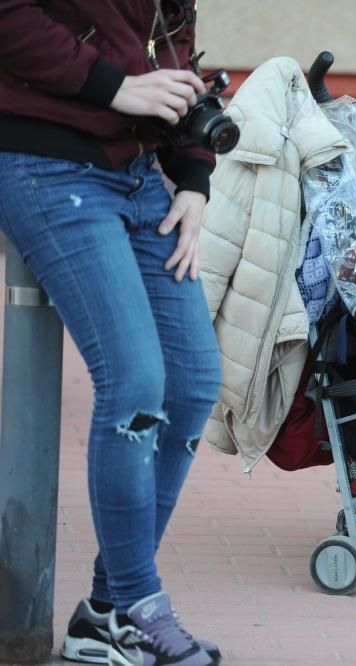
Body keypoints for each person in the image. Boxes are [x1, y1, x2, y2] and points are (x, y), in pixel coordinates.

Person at [0, 2, 222, 664]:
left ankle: (105, 613)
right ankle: (139, 602)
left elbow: (172, 47)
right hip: (47, 163)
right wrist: (115, 87)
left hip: (138, 174)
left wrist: (195, 176)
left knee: (193, 382)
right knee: (134, 383)